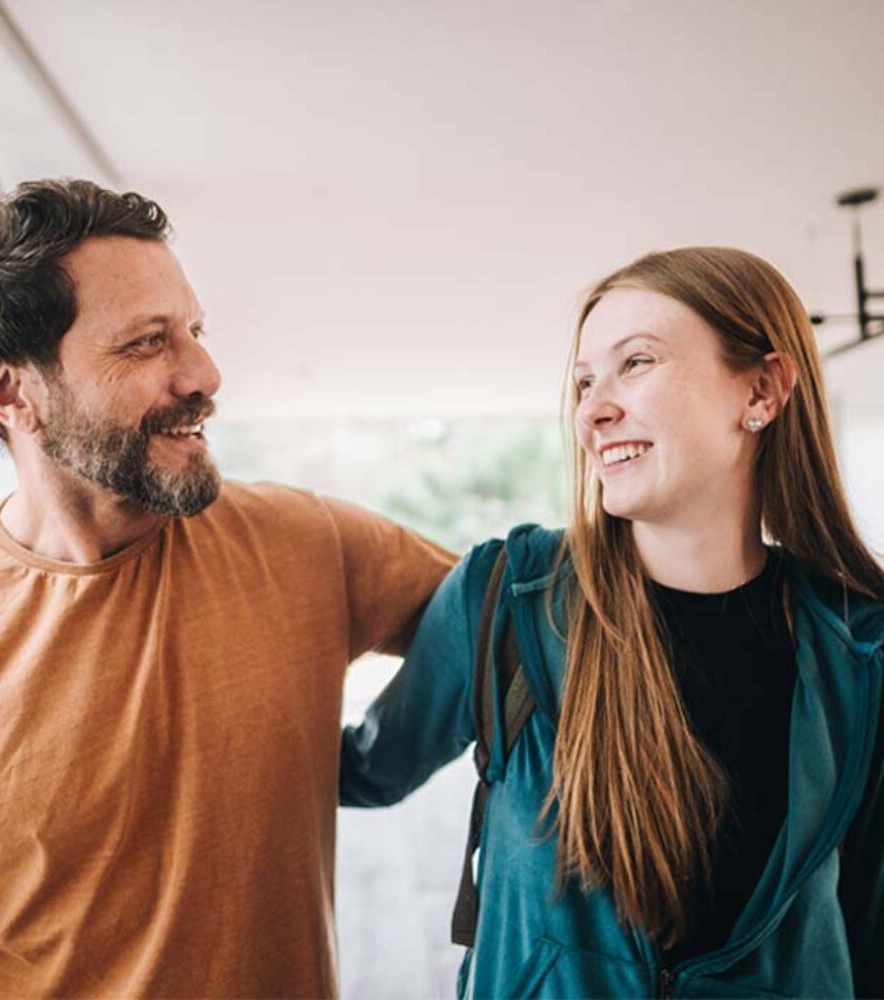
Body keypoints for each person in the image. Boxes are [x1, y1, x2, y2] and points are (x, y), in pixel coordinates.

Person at [0, 179, 453, 998]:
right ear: (9, 388)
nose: (204, 373)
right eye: (147, 344)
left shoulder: (309, 545)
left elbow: (518, 623)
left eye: (194, 331)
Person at [341, 247, 884, 998]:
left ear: (761, 391)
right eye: (584, 381)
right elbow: (361, 769)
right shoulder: (508, 595)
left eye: (637, 363)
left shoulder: (860, 648)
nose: (593, 408)